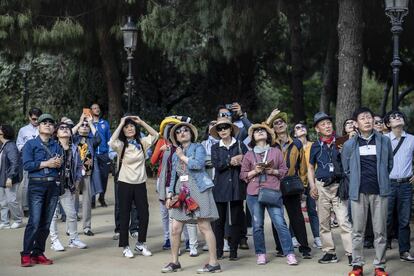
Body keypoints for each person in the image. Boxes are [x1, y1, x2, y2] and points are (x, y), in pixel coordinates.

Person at [162, 121, 221, 273]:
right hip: (181, 190)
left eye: (185, 130)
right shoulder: (175, 153)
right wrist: (169, 194)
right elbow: (174, 175)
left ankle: (214, 263)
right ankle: (175, 262)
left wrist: (183, 157)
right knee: (175, 228)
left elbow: (198, 165)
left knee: (203, 226)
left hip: (198, 188)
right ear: (176, 136)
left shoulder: (198, 147)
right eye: (179, 131)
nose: (182, 133)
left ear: (191, 134)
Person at [342, 107, 393, 276]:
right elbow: (346, 169)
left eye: (369, 117)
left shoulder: (384, 141)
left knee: (380, 231)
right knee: (357, 231)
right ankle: (357, 266)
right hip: (358, 193)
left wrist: (382, 178)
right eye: (362, 118)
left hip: (380, 192)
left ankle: (380, 266)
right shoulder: (350, 144)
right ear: (356, 123)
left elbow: (389, 164)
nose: (367, 120)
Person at [240, 123, 298, 266]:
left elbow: (284, 170)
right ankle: (261, 253)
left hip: (273, 191)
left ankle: (289, 253)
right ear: (252, 137)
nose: (260, 132)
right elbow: (242, 175)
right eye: (257, 131)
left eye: (262, 130)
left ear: (268, 135)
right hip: (254, 193)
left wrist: (273, 171)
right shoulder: (248, 154)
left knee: (280, 223)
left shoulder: (275, 152)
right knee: (257, 225)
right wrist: (255, 171)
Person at [109, 115, 158, 258]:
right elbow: (111, 141)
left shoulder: (142, 142)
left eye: (131, 126)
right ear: (123, 131)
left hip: (140, 183)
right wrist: (121, 123)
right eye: (126, 127)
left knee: (144, 214)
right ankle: (125, 246)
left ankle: (141, 243)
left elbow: (155, 135)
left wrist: (141, 122)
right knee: (125, 214)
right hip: (124, 183)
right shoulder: (121, 145)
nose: (129, 129)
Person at [265, 110, 312, 259]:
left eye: (281, 122)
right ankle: (280, 248)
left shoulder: (297, 143)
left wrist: (303, 186)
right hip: (274, 184)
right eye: (275, 123)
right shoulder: (270, 143)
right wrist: (269, 119)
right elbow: (260, 129)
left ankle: (305, 248)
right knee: (276, 218)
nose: (279, 125)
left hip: (291, 184)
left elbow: (303, 167)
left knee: (297, 217)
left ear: (286, 125)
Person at [308, 112, 352, 265]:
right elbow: (310, 167)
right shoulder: (315, 145)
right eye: (323, 124)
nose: (327, 126)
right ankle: (329, 252)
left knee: (343, 221)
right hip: (321, 186)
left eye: (328, 123)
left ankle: (351, 253)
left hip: (338, 185)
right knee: (323, 222)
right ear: (317, 129)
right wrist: (312, 186)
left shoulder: (341, 141)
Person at [20, 114, 63, 267]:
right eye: (44, 122)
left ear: (53, 128)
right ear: (38, 126)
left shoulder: (56, 145)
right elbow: (27, 165)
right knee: (35, 221)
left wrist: (59, 163)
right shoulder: (30, 144)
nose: (47, 125)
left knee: (46, 223)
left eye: (51, 123)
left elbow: (60, 164)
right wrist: (47, 163)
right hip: (36, 186)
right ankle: (26, 254)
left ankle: (38, 253)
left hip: (53, 186)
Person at [210, 117, 247, 261]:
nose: (223, 130)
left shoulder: (240, 144)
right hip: (220, 188)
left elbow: (247, 162)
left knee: (236, 220)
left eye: (225, 127)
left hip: (237, 187)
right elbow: (217, 165)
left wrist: (240, 160)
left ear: (231, 128)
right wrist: (231, 161)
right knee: (219, 221)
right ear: (217, 132)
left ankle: (233, 251)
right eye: (219, 128)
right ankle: (219, 250)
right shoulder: (215, 147)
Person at [49, 121, 87, 251]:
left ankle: (74, 239)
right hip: (52, 185)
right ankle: (54, 241)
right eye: (62, 128)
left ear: (71, 133)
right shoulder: (52, 147)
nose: (65, 129)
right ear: (56, 133)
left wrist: (76, 182)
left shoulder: (75, 148)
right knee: (53, 215)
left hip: (67, 186)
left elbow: (78, 167)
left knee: (71, 214)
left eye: (67, 128)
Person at [384, 110, 414, 262]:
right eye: (393, 117)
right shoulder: (383, 139)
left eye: (400, 116)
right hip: (388, 184)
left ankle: (404, 251)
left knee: (404, 220)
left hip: (405, 185)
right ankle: (381, 251)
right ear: (388, 124)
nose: (397, 118)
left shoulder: (411, 139)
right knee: (386, 219)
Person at [72, 113, 103, 236]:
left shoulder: (91, 140)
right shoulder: (74, 139)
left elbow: (99, 138)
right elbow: (69, 133)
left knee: (87, 201)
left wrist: (90, 123)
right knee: (73, 201)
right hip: (74, 174)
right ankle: (72, 227)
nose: (84, 127)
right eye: (82, 126)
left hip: (88, 174)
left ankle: (86, 227)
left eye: (86, 126)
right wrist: (80, 122)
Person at [293, 121, 322, 249]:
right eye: (297, 128)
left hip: (312, 182)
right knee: (295, 211)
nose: (301, 128)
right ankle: (293, 237)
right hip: (297, 182)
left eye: (303, 127)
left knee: (312, 210)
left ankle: (317, 238)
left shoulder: (314, 145)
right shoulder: (293, 147)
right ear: (294, 133)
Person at [16, 107, 42, 215]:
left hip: (42, 160)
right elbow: (18, 144)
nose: (36, 121)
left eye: (37, 119)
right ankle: (26, 207)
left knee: (42, 183)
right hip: (29, 160)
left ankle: (40, 206)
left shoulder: (44, 127)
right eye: (34, 119)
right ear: (29, 117)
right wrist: (27, 148)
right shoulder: (23, 130)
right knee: (27, 184)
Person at [0, 124, 23, 229]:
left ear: (3, 133)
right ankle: (4, 222)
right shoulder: (3, 146)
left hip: (10, 179)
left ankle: (18, 219)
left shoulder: (11, 146)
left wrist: (10, 177)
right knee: (3, 202)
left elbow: (14, 163)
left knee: (11, 200)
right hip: (2, 178)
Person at [90, 103, 111, 208]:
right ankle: (92, 200)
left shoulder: (105, 123)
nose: (97, 109)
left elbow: (109, 139)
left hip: (104, 154)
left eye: (98, 108)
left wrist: (108, 153)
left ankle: (101, 198)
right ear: (91, 111)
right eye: (94, 108)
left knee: (104, 177)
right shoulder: (88, 124)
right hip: (92, 154)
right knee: (92, 176)